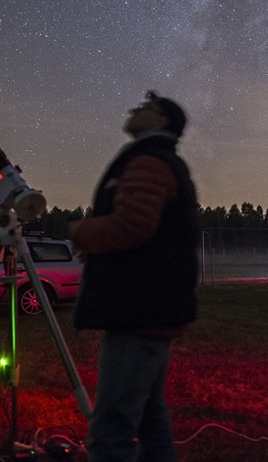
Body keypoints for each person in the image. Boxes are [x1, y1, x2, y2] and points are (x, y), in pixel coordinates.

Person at [71, 91, 199, 462]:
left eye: (146, 107)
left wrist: (78, 232)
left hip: (138, 312)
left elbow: (133, 226)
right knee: (150, 423)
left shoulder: (149, 162)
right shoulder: (157, 160)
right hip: (149, 310)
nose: (134, 109)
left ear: (161, 121)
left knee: (111, 431)